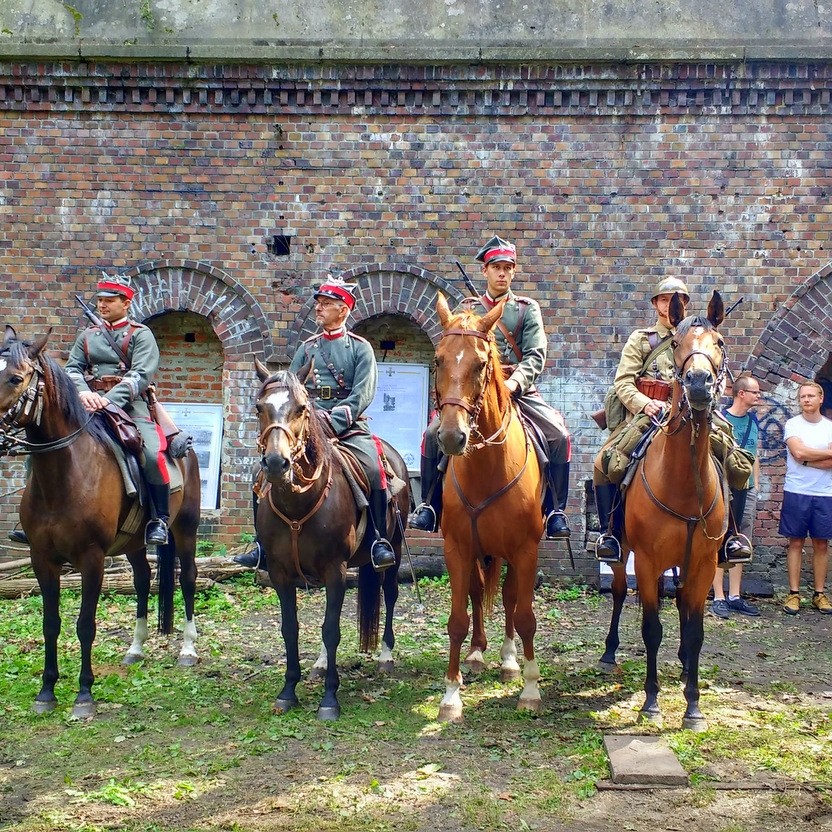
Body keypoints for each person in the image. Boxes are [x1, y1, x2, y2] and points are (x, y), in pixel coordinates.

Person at [409, 236, 572, 540]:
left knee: (558, 434)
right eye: (496, 267)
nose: (502, 273)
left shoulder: (525, 309)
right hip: (474, 389)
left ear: (514, 272)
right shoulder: (467, 308)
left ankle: (554, 511)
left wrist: (513, 383)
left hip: (515, 388)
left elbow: (536, 355)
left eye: (508, 268)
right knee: (432, 434)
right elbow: (457, 353)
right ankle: (429, 506)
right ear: (485, 270)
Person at [234, 277, 396, 572]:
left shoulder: (360, 349)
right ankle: (262, 546)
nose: (318, 308)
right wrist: (304, 419)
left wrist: (333, 420)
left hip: (348, 427)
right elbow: (290, 391)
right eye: (318, 303)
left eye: (326, 304)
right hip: (307, 427)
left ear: (343, 310)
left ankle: (377, 540)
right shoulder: (307, 348)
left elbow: (363, 393)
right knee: (261, 471)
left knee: (374, 469)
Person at [593, 278, 749, 563]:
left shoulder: (700, 337)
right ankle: (610, 534)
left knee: (736, 461)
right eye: (663, 299)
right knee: (606, 462)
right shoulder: (642, 339)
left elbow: (716, 375)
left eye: (675, 300)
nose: (668, 305)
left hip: (694, 413)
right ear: (656, 304)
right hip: (648, 415)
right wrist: (645, 403)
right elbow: (623, 382)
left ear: (683, 305)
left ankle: (732, 537)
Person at [63, 272, 171, 545]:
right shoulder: (88, 336)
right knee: (50, 440)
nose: (102, 305)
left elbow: (140, 375)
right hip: (88, 403)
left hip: (130, 405)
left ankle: (159, 519)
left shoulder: (141, 335)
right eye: (100, 300)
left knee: (151, 453)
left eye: (110, 300)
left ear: (126, 303)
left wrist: (108, 400)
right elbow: (72, 369)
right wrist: (84, 394)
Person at [711, 375, 762, 618]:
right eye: (755, 392)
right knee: (719, 539)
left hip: (747, 489)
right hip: (725, 489)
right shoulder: (720, 419)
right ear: (741, 393)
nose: (758, 396)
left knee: (740, 542)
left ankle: (735, 596)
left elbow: (754, 455)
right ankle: (718, 596)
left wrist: (756, 486)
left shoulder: (753, 421)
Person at [779, 381, 832, 615]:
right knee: (796, 542)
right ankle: (793, 593)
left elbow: (811, 458)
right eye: (803, 396)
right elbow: (797, 452)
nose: (806, 400)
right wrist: (822, 454)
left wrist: (807, 461)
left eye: (811, 396)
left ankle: (819, 593)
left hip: (824, 492)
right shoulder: (793, 424)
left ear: (821, 398)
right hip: (796, 490)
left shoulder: (829, 427)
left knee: (821, 544)